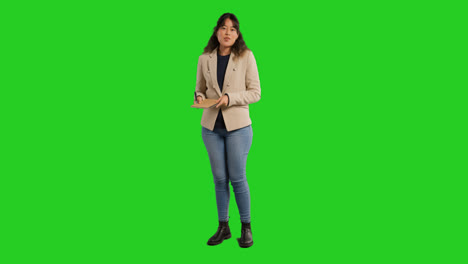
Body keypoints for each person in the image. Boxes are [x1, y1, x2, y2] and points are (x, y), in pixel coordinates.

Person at [193, 13, 261, 248]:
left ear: (238, 34)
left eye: (233, 29)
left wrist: (229, 98)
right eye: (223, 28)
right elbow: (199, 88)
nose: (228, 32)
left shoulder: (246, 57)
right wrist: (200, 96)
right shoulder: (204, 59)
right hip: (211, 128)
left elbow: (255, 92)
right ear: (216, 31)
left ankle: (247, 227)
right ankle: (223, 227)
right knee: (219, 179)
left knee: (238, 178)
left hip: (238, 129)